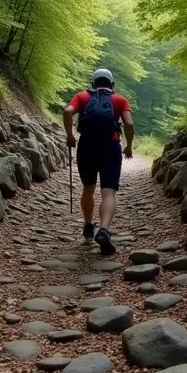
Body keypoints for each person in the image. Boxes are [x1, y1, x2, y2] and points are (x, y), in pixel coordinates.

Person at [64, 68, 135, 256]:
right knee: (108, 192)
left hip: (87, 147)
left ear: (93, 83)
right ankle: (103, 230)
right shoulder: (120, 100)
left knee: (88, 188)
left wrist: (70, 136)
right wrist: (128, 146)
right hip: (110, 148)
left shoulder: (82, 96)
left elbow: (67, 112)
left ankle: (88, 226)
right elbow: (129, 124)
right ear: (111, 85)